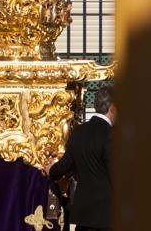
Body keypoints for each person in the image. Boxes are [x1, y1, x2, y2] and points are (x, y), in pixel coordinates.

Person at [48, 86, 115, 231]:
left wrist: (51, 169)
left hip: (83, 215)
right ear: (112, 108)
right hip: (106, 217)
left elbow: (63, 166)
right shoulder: (112, 135)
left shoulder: (79, 132)